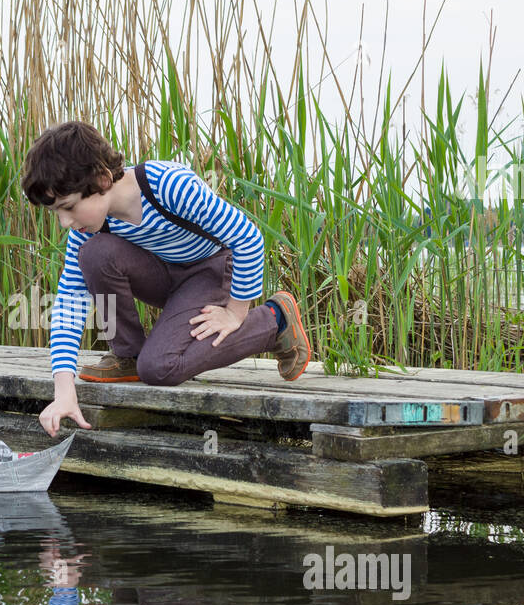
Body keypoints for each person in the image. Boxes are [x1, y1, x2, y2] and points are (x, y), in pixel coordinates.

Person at [21, 120, 311, 437]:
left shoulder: (166, 185)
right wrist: (64, 392)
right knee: (94, 253)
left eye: (69, 207)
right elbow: (69, 303)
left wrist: (235, 312)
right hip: (165, 275)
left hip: (210, 270)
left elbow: (247, 237)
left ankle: (274, 320)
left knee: (159, 368)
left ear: (102, 180)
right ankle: (127, 356)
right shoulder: (86, 230)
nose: (65, 222)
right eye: (56, 213)